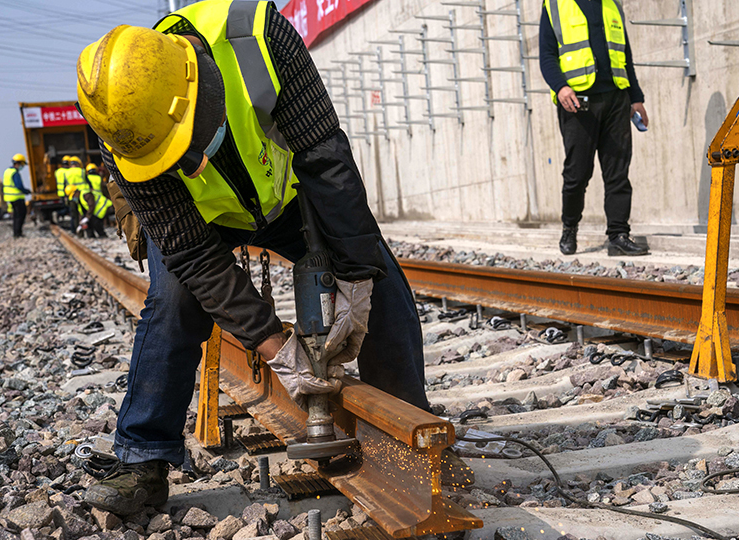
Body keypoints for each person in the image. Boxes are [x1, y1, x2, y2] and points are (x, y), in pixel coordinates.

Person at [76, 1, 467, 515]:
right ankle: (142, 458)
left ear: (197, 84)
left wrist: (356, 280)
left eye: (187, 142)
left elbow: (327, 163)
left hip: (287, 198)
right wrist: (275, 346)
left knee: (379, 274)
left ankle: (409, 431)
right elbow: (196, 258)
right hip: (205, 221)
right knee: (171, 304)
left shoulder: (257, 38)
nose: (191, 163)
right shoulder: (127, 135)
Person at [540, 0, 649, 256]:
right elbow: (546, 55)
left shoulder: (611, 4)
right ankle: (569, 227)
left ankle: (618, 236)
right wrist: (560, 86)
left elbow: (625, 55)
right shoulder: (555, 5)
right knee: (577, 175)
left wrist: (636, 97)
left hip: (616, 99)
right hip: (578, 103)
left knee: (618, 173)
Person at [2, 153, 31, 238]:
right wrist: (26, 191)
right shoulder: (15, 173)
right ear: (19, 163)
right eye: (22, 164)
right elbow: (18, 185)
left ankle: (16, 232)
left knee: (16, 215)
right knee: (21, 214)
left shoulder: (7, 171)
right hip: (17, 197)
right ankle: (18, 233)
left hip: (10, 197)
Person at [85, 163, 113, 231]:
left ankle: (91, 231)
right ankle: (104, 225)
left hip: (90, 198)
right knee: (100, 214)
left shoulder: (87, 178)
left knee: (91, 214)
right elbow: (104, 188)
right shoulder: (99, 178)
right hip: (100, 199)